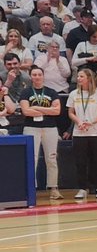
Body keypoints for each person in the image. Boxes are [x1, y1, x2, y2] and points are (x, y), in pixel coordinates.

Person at [66, 68, 97, 203]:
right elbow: (70, 112)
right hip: (79, 132)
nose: (78, 79)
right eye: (78, 76)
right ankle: (82, 188)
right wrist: (79, 121)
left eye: (81, 76)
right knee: (80, 162)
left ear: (89, 79)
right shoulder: (74, 94)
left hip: (96, 132)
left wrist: (90, 123)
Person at [20, 65, 63, 201]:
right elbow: (26, 111)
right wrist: (48, 109)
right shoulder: (26, 92)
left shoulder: (52, 92)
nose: (37, 77)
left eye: (39, 74)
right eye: (34, 75)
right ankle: (31, 188)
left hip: (50, 127)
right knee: (31, 158)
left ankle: (54, 188)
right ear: (31, 76)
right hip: (31, 127)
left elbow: (57, 111)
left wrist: (37, 108)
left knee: (51, 158)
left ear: (43, 76)